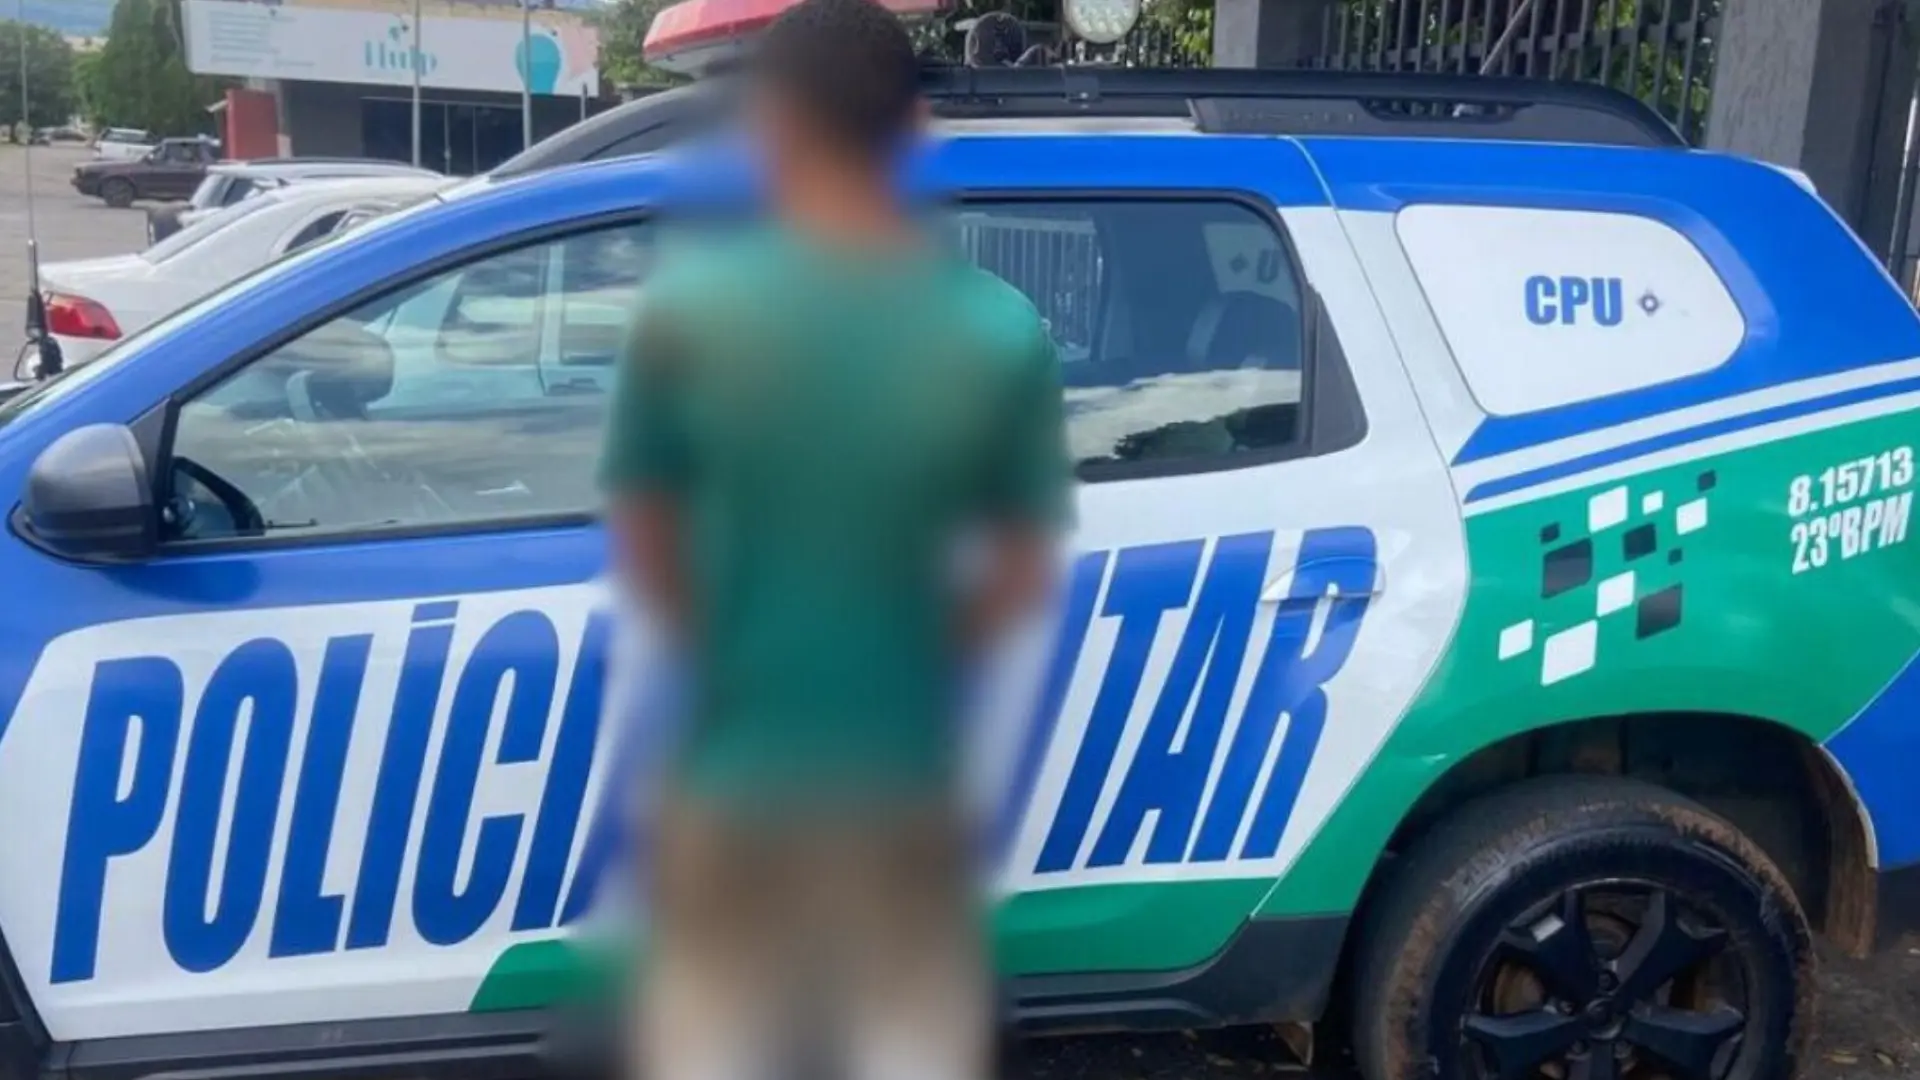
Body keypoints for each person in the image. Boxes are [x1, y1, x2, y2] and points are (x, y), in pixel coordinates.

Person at [597, 0, 1072, 1075]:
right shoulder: (999, 328)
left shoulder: (685, 316)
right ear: (912, 127)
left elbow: (650, 552)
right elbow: (1019, 570)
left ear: (771, 126)